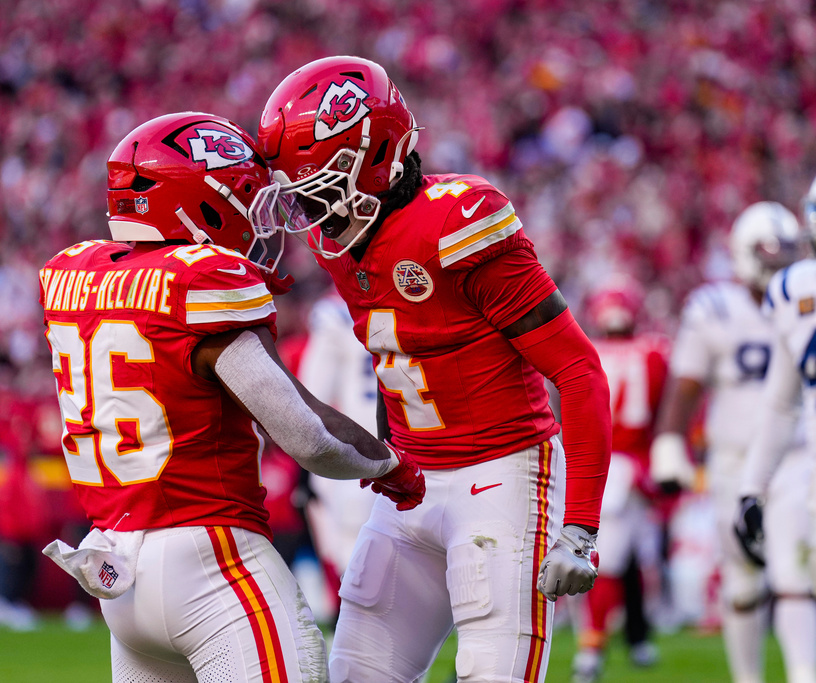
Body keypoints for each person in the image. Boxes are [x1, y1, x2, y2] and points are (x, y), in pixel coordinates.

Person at [253, 56, 611, 683]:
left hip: (501, 476)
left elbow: (579, 370)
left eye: (317, 186)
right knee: (356, 675)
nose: (311, 212)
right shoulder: (337, 242)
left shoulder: (456, 221)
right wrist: (388, 454)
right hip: (412, 484)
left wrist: (579, 529)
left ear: (375, 159)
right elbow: (396, 362)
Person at [38, 111, 425, 683]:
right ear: (203, 200)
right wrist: (391, 465)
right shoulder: (200, 279)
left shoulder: (75, 274)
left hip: (119, 573)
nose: (257, 219)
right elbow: (305, 434)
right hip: (212, 568)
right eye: (247, 197)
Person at [651, 201, 815, 683]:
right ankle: (749, 678)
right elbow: (687, 383)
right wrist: (669, 442)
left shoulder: (795, 293)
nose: (776, 270)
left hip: (797, 453)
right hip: (734, 457)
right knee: (743, 582)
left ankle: (803, 671)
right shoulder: (715, 307)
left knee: (793, 574)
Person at [736, 187, 816, 683]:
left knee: (795, 580)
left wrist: (751, 485)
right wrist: (752, 483)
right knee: (793, 578)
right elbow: (782, 399)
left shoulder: (792, 287)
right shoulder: (791, 287)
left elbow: (780, 402)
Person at [571, 278, 668, 683]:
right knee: (615, 561)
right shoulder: (654, 352)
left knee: (606, 560)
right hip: (633, 465)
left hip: (597, 461)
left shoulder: (586, 349)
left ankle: (595, 648)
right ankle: (595, 649)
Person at [297, 289, 379, 615]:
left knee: (355, 561)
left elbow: (310, 395)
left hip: (359, 451)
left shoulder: (334, 312)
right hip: (419, 443)